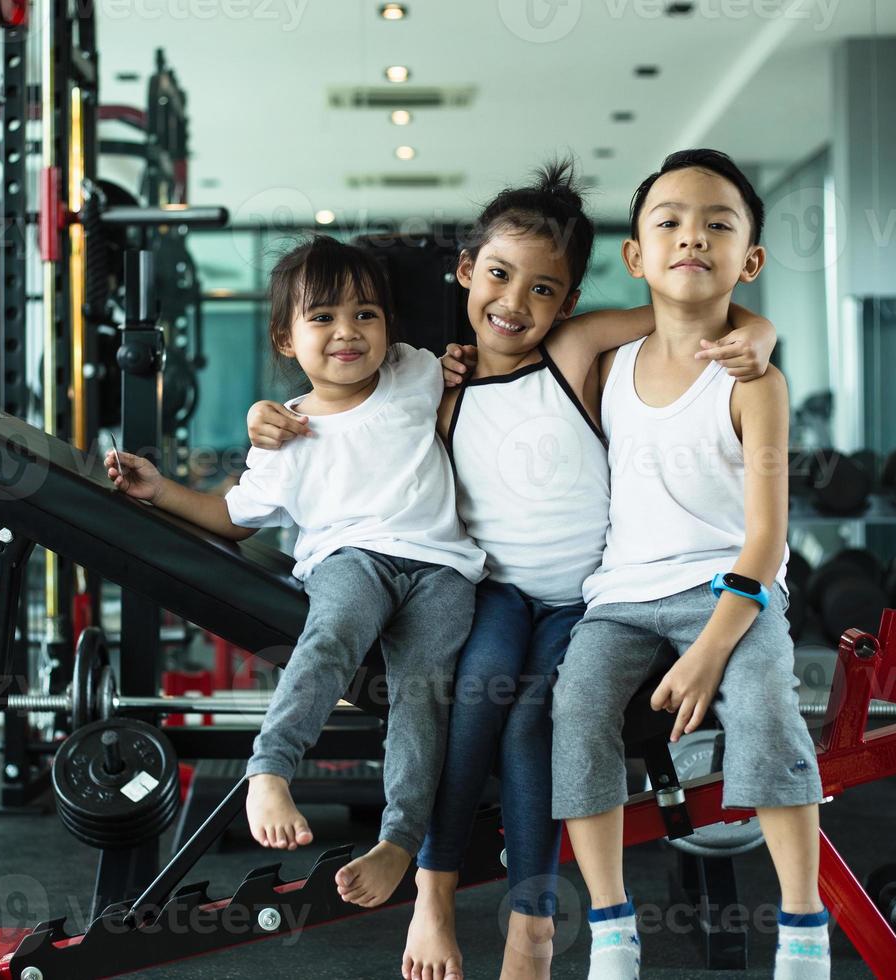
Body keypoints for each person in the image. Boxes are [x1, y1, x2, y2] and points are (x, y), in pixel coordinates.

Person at [247, 160, 777, 980]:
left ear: (567, 303)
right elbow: (341, 406)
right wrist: (264, 415)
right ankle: (432, 890)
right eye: (498, 275)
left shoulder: (573, 349)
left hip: (584, 601)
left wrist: (760, 336)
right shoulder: (437, 387)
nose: (514, 302)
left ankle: (531, 920)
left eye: (542, 289)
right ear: (466, 272)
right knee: (470, 703)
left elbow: (693, 312)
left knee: (534, 718)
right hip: (491, 593)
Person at [106, 234, 485, 909]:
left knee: (422, 694)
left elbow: (471, 365)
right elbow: (232, 517)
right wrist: (157, 489)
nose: (348, 332)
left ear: (390, 328)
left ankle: (398, 840)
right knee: (330, 637)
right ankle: (270, 769)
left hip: (442, 570)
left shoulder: (413, 371)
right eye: (323, 318)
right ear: (286, 339)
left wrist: (463, 359)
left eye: (366, 314)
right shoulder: (285, 432)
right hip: (350, 562)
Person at [551, 148, 827, 980]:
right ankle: (610, 924)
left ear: (750, 259)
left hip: (731, 593)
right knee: (576, 711)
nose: (691, 237)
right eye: (667, 222)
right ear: (635, 256)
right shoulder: (604, 369)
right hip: (622, 600)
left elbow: (767, 543)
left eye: (718, 224)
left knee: (766, 707)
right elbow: (557, 338)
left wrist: (710, 650)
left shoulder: (756, 383)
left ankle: (805, 925)